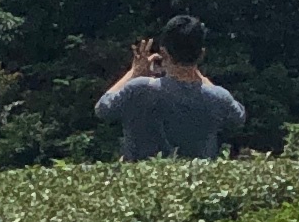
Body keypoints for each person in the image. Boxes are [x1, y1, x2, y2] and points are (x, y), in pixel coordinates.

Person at [95, 13, 248, 161]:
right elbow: (238, 118)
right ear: (201, 54)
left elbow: (102, 108)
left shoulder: (138, 88)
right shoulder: (217, 97)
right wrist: (200, 76)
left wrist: (133, 73)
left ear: (164, 52)